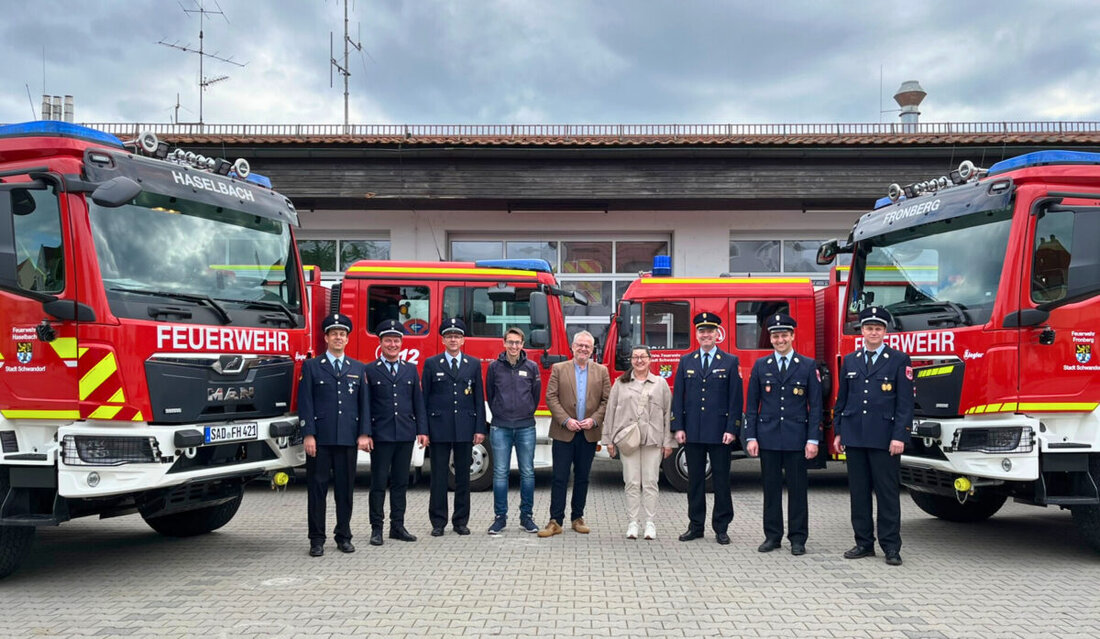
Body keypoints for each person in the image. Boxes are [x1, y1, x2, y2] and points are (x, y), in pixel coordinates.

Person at [833, 306, 913, 566]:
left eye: (878, 328)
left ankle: (891, 546)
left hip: (884, 439)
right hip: (855, 436)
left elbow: (904, 404)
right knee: (859, 493)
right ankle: (863, 543)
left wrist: (899, 435)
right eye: (869, 328)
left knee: (887, 494)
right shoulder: (851, 360)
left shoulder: (899, 360)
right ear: (862, 331)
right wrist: (838, 431)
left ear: (885, 331)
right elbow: (842, 399)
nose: (873, 332)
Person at [744, 313, 823, 556]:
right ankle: (772, 536)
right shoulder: (761, 365)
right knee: (771, 489)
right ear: (771, 339)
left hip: (796, 438)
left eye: (784, 335)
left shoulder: (808, 366)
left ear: (792, 336)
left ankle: (798, 538)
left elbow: (816, 405)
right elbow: (752, 404)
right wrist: (751, 437)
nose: (780, 340)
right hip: (767, 436)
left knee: (798, 491)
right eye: (775, 336)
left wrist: (813, 439)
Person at [298, 313, 372, 557]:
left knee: (345, 491)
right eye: (334, 334)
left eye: (343, 334)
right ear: (326, 337)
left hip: (347, 439)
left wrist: (364, 434)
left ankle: (344, 536)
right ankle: (317, 539)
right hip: (320, 440)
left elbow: (364, 405)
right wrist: (308, 434)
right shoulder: (311, 366)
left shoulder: (357, 368)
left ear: (347, 339)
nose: (338, 338)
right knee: (317, 491)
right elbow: (305, 402)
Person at [671, 312, 743, 545]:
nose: (706, 335)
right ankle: (696, 525)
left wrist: (732, 429)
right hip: (692, 432)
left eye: (710, 331)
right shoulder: (686, 361)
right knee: (695, 482)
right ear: (697, 334)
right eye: (702, 331)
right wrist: (678, 427)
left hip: (720, 433)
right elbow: (678, 397)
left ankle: (721, 527)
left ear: (717, 334)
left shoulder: (730, 361)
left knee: (721, 482)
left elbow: (735, 399)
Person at [539, 330, 611, 537]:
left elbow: (607, 400)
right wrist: (566, 420)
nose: (583, 349)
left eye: (587, 346)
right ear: (572, 347)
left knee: (582, 478)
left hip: (588, 433)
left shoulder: (601, 371)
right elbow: (551, 397)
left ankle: (577, 518)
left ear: (592, 349)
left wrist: (595, 419)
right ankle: (555, 521)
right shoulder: (559, 369)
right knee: (559, 477)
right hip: (564, 432)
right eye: (580, 345)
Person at [364, 319, 427, 546]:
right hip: (380, 436)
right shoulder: (370, 370)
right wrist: (366, 433)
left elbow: (417, 402)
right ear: (380, 343)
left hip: (404, 434)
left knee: (401, 482)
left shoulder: (410, 369)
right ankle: (376, 528)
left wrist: (422, 431)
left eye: (396, 340)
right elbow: (366, 405)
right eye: (388, 340)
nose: (392, 344)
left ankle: (397, 526)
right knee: (379, 482)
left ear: (402, 343)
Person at [603, 345, 675, 540]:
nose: (639, 360)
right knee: (632, 482)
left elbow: (669, 414)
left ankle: (650, 523)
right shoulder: (620, 382)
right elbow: (610, 412)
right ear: (631, 360)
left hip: (653, 439)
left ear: (650, 359)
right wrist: (608, 439)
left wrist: (669, 441)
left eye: (643, 356)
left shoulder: (660, 383)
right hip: (628, 440)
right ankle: (633, 522)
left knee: (651, 482)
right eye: (635, 357)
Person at [422, 318, 486, 536]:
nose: (453, 340)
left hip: (465, 428)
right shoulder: (432, 363)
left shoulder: (473, 364)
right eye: (449, 336)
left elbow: (479, 398)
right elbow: (424, 399)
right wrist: (424, 429)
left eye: (457, 336)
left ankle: (460, 521)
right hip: (438, 427)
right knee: (439, 477)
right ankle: (438, 522)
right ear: (443, 340)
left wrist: (479, 428)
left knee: (463, 477)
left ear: (463, 340)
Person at [485, 327, 541, 535]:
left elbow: (535, 396)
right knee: (500, 474)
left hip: (526, 426)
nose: (514, 346)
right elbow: (490, 394)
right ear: (504, 343)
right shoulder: (494, 368)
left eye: (517, 342)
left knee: (527, 473)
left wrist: (525, 413)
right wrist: (500, 414)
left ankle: (526, 517)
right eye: (510, 342)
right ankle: (500, 518)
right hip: (501, 427)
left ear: (523, 344)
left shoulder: (532, 367)